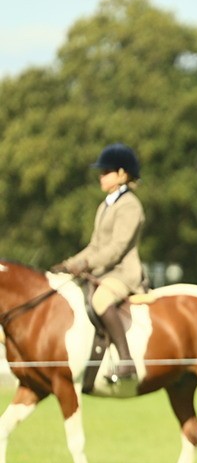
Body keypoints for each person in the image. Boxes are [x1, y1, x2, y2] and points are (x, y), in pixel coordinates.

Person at [53, 143, 146, 384]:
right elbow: (95, 245)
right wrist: (68, 264)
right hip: (103, 271)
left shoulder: (130, 205)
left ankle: (126, 361)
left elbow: (117, 248)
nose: (101, 176)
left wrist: (85, 264)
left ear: (122, 174)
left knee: (100, 300)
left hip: (123, 273)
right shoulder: (105, 205)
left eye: (106, 172)